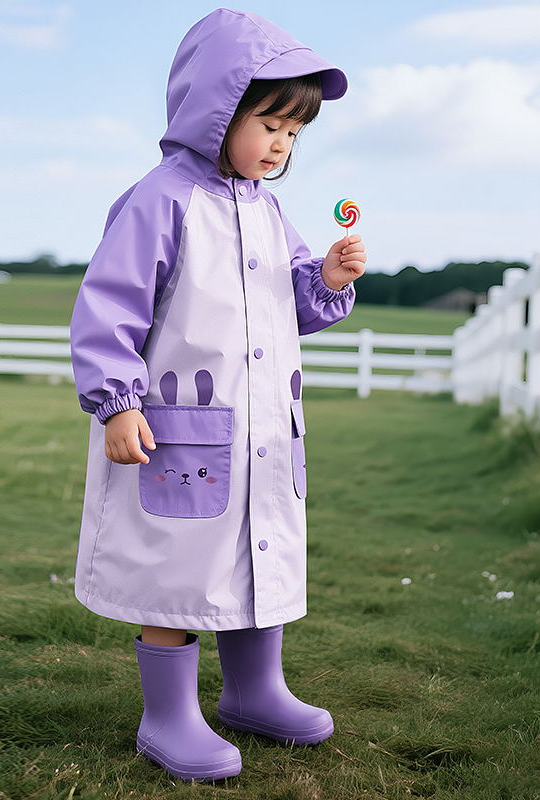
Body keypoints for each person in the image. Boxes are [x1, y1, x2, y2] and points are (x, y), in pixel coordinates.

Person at [69, 8, 366, 782]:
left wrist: (326, 280)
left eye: (295, 134)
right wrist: (117, 400)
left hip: (261, 431)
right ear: (217, 110)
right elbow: (110, 306)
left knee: (254, 557)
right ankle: (167, 716)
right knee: (176, 567)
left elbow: (290, 310)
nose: (281, 145)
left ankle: (254, 689)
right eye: (270, 123)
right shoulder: (160, 201)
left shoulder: (268, 210)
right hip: (176, 429)